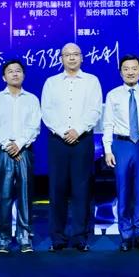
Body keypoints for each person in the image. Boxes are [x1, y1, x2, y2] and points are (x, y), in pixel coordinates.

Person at [41, 43, 103, 252]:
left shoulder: (92, 81)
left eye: (76, 54)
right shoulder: (51, 82)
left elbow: (95, 110)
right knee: (57, 189)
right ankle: (57, 238)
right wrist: (62, 131)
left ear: (82, 57)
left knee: (81, 190)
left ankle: (80, 237)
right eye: (67, 55)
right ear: (61, 58)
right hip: (57, 141)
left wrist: (78, 130)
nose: (72, 58)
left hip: (82, 140)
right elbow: (46, 110)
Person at [103, 54, 139, 252]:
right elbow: (108, 124)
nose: (130, 72)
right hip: (121, 145)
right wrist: (108, 149)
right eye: (126, 69)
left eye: (134, 68)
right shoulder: (113, 95)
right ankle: (126, 235)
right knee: (123, 190)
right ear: (120, 72)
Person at [0, 60, 41, 254]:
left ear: (23, 75)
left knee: (25, 195)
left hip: (25, 150)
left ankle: (25, 238)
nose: (15, 74)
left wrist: (20, 144)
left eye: (18, 71)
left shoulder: (32, 99)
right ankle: (4, 239)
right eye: (10, 71)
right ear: (4, 77)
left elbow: (34, 126)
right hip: (3, 150)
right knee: (4, 195)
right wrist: (9, 145)